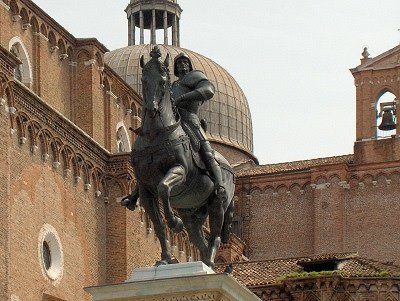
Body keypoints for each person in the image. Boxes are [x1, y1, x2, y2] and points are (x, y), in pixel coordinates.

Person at [171, 53, 225, 197]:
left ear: (189, 65)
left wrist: (183, 98)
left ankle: (220, 185)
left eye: (185, 62)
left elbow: (208, 90)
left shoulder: (195, 77)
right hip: (173, 120)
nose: (182, 65)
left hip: (190, 119)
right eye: (179, 63)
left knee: (206, 151)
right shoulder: (172, 85)